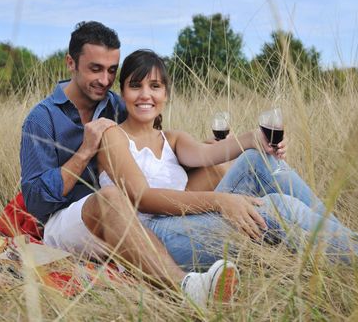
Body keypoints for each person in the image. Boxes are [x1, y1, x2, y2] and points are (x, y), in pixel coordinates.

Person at [98, 49, 358, 274]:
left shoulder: (171, 138)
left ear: (166, 93)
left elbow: (214, 153)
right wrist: (220, 201)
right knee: (278, 209)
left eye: (155, 86)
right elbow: (145, 199)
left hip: (192, 221)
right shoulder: (113, 136)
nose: (146, 95)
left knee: (257, 159)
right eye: (135, 86)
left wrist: (257, 138)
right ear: (122, 92)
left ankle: (347, 241)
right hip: (156, 238)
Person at [19, 21, 238, 307]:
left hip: (125, 217)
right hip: (68, 222)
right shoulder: (42, 119)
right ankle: (185, 288)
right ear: (71, 63)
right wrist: (85, 151)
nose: (105, 79)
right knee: (110, 197)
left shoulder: (117, 104)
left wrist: (212, 149)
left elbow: (153, 149)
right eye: (95, 68)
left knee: (209, 171)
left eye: (112, 70)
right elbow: (35, 201)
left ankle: (250, 226)